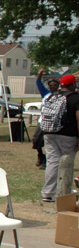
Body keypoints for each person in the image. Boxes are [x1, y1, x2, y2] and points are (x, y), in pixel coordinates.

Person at [40, 74, 79, 203]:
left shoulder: (53, 96)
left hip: (49, 132)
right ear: (73, 85)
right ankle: (65, 191)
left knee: (52, 162)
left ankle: (48, 192)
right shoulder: (75, 98)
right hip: (68, 135)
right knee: (67, 162)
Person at [33, 69, 59, 169]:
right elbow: (38, 82)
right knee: (36, 140)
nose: (53, 87)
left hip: (53, 123)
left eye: (55, 85)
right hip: (42, 121)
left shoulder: (60, 96)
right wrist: (40, 73)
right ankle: (40, 156)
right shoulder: (46, 94)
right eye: (51, 85)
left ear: (58, 86)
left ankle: (47, 161)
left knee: (49, 143)